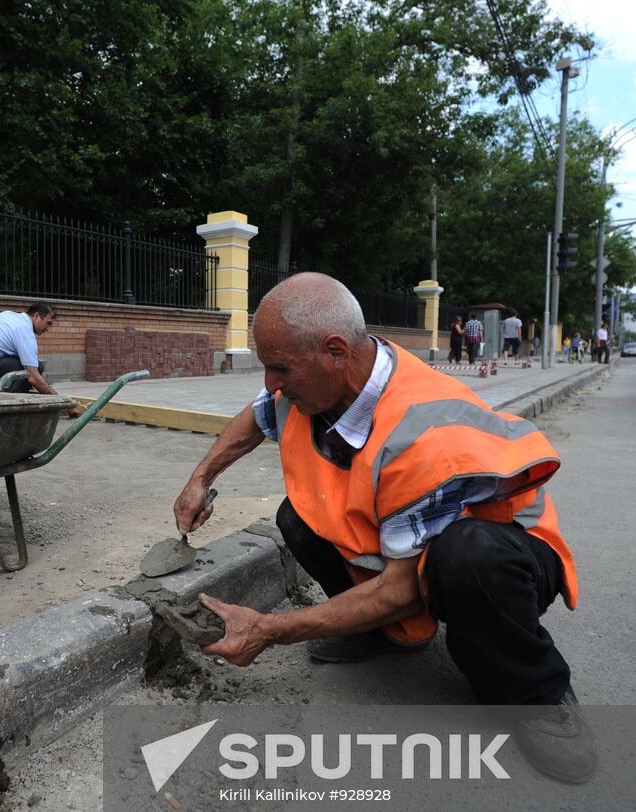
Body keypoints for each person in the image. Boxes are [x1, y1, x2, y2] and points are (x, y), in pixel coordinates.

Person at [172, 273, 594, 783]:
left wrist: (269, 629)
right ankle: (376, 634)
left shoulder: (422, 436)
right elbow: (255, 418)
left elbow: (399, 587)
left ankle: (536, 693)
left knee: (465, 555)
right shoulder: (323, 383)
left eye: (279, 368)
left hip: (505, 556)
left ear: (334, 351)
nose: (271, 384)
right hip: (414, 541)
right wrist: (200, 479)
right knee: (298, 514)